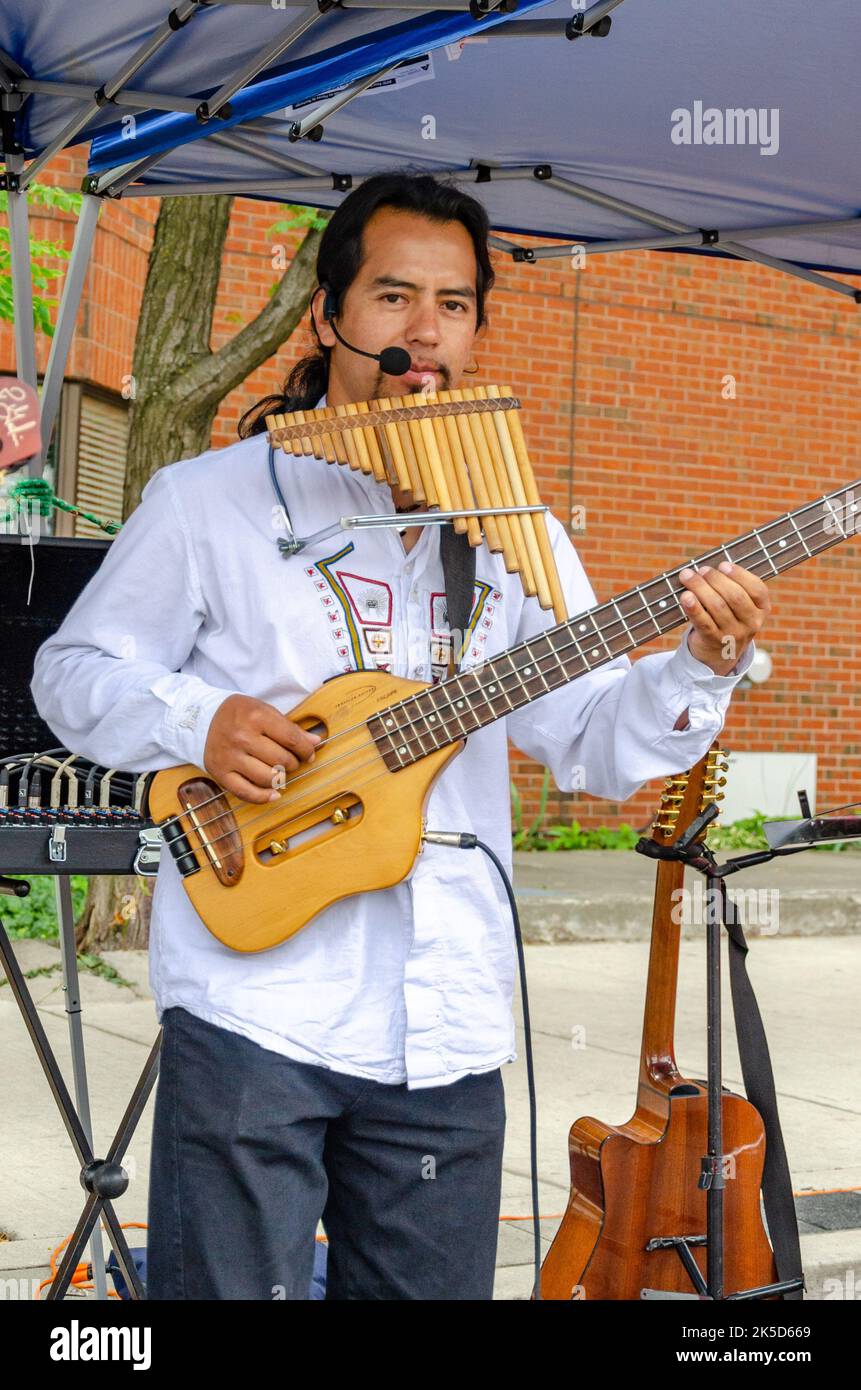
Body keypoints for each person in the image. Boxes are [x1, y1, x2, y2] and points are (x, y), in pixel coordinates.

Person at [30, 172, 770, 1301]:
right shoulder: (206, 502)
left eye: (458, 304)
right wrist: (201, 718)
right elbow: (70, 674)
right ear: (327, 316)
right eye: (393, 297)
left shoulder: (515, 526)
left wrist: (697, 668)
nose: (428, 332)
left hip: (446, 1024)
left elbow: (587, 739)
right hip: (254, 1004)